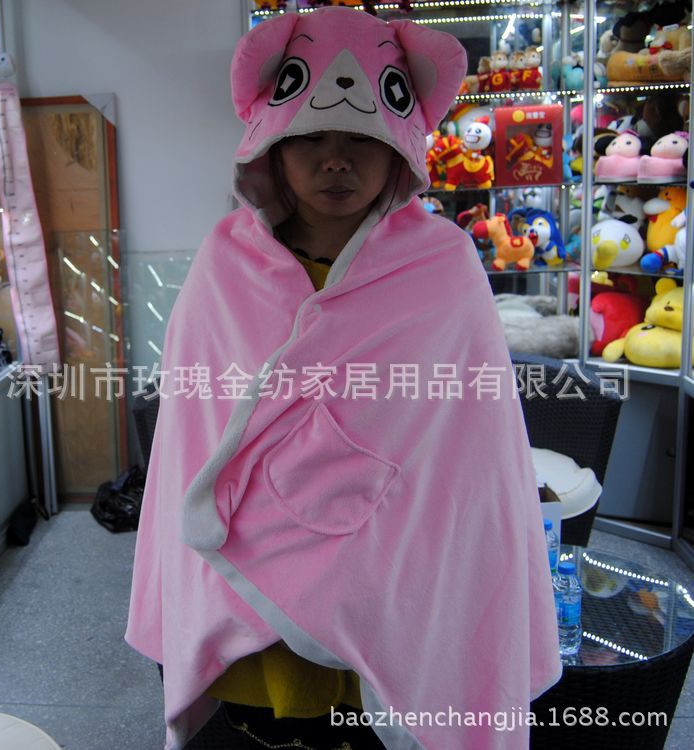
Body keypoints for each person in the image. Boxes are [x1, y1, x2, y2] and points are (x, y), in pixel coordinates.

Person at [126, 7, 562, 750]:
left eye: (361, 139)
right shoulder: (224, 264)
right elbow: (195, 431)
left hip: (395, 579)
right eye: (312, 138)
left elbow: (470, 457)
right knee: (269, 728)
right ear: (273, 150)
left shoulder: (444, 268)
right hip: (251, 600)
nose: (336, 160)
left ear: (399, 152)